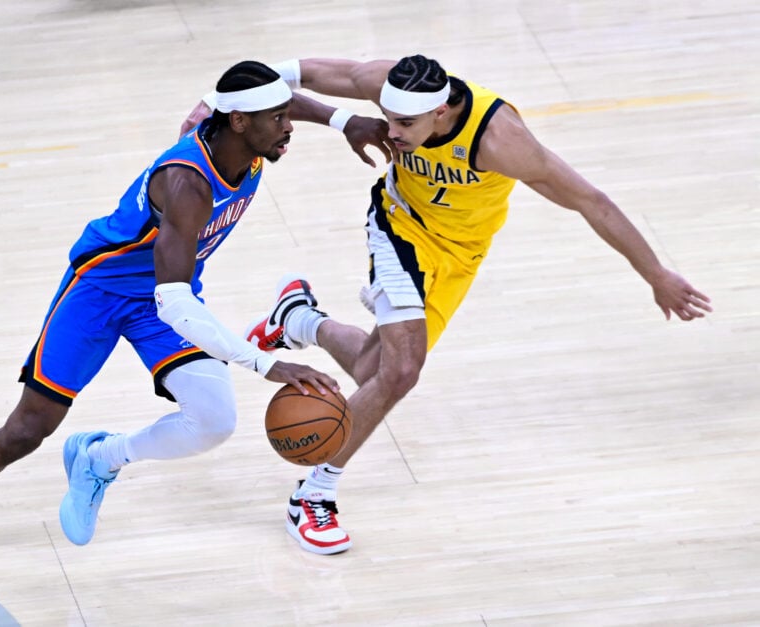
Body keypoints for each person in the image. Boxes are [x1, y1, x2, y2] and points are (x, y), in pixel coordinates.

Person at [0, 60, 396, 585]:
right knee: (26, 431)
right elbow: (175, 304)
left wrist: (342, 120)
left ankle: (101, 458)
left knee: (214, 420)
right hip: (102, 293)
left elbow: (276, 94)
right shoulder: (187, 185)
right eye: (277, 119)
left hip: (164, 292)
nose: (288, 126)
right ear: (239, 121)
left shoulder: (246, 140)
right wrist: (265, 364)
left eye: (286, 115)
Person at [185, 54, 713, 555]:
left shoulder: (502, 141)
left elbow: (590, 202)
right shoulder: (388, 82)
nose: (392, 133)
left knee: (374, 370)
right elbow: (304, 72)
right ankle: (314, 495)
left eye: (405, 125)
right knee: (401, 373)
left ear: (440, 113)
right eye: (389, 118)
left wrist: (656, 275)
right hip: (400, 228)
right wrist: (216, 99)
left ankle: (300, 319)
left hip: (462, 253)